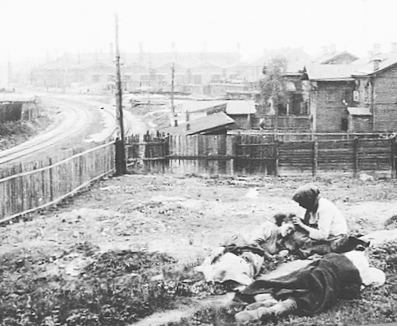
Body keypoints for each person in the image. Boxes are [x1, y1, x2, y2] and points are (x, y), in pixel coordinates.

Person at [291, 184, 351, 255]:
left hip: (335, 239)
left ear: (309, 200)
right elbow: (311, 222)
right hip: (325, 234)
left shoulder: (324, 208)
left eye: (302, 202)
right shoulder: (314, 205)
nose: (300, 205)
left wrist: (302, 225)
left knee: (303, 245)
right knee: (296, 237)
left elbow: (323, 235)